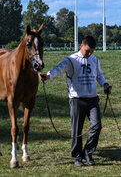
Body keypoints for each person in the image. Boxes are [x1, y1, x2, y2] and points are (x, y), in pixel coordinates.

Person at [40, 36, 111, 167]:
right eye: (87, 51)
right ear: (81, 46)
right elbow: (59, 68)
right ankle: (77, 157)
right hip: (77, 100)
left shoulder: (94, 59)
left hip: (93, 99)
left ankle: (88, 153)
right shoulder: (71, 60)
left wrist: (105, 84)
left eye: (92, 51)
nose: (89, 54)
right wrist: (48, 75)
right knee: (76, 130)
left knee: (97, 126)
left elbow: (99, 75)